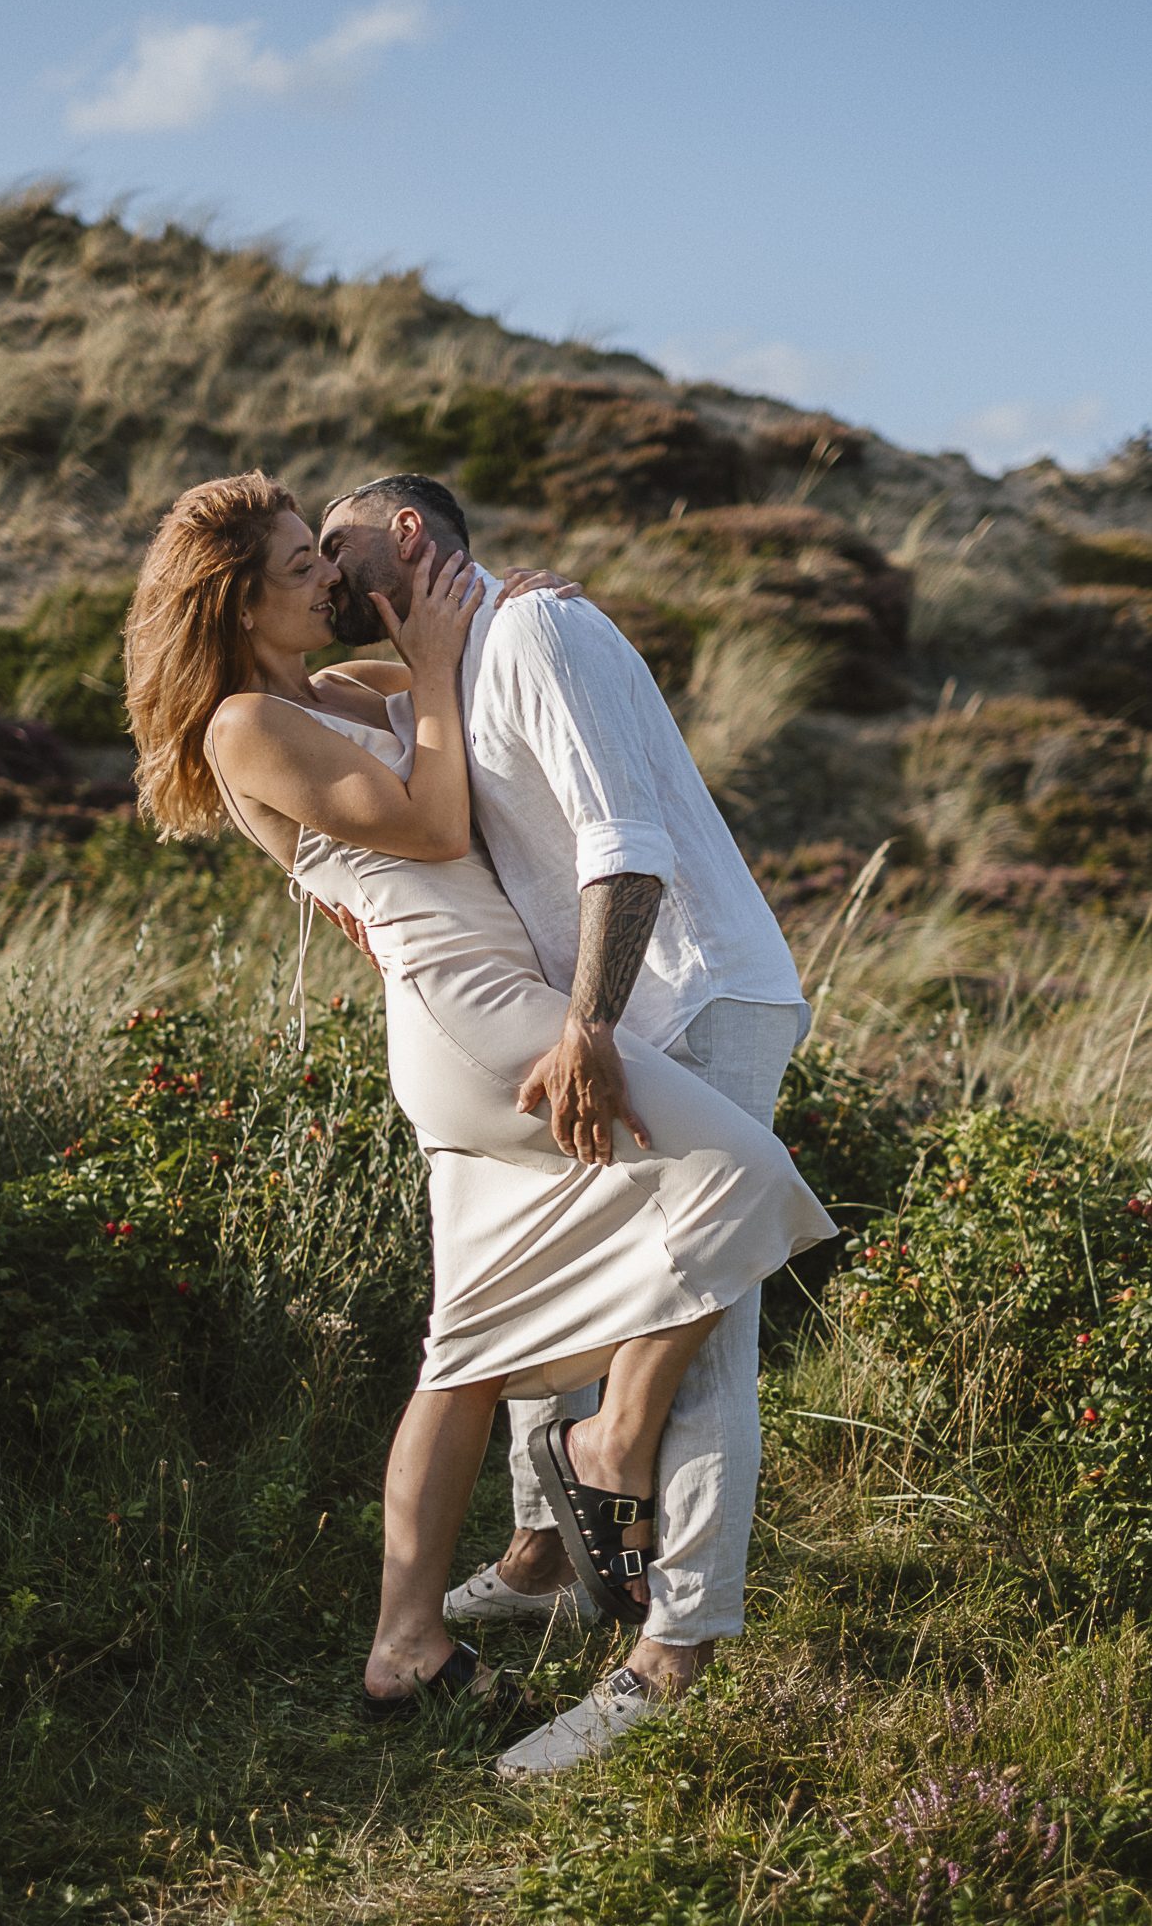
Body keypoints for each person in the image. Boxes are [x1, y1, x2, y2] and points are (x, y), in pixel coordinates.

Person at [125, 470, 835, 1747]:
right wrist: (447, 665)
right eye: (298, 566)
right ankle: (610, 1445)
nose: (323, 581)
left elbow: (467, 661)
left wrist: (512, 606)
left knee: (465, 1346)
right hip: (474, 1009)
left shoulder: (328, 691)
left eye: (321, 552)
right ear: (237, 602)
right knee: (736, 1170)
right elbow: (438, 819)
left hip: (474, 1003)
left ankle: (409, 1641)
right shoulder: (244, 724)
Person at [317, 473, 821, 1779]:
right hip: (601, 1017)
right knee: (585, 1285)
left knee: (700, 1323)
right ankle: (545, 1560)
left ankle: (673, 1657)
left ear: (408, 535)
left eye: (337, 542)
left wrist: (588, 1028)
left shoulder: (537, 633)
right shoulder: (455, 659)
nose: (320, 570)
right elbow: (292, 716)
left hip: (689, 994)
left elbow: (626, 845)